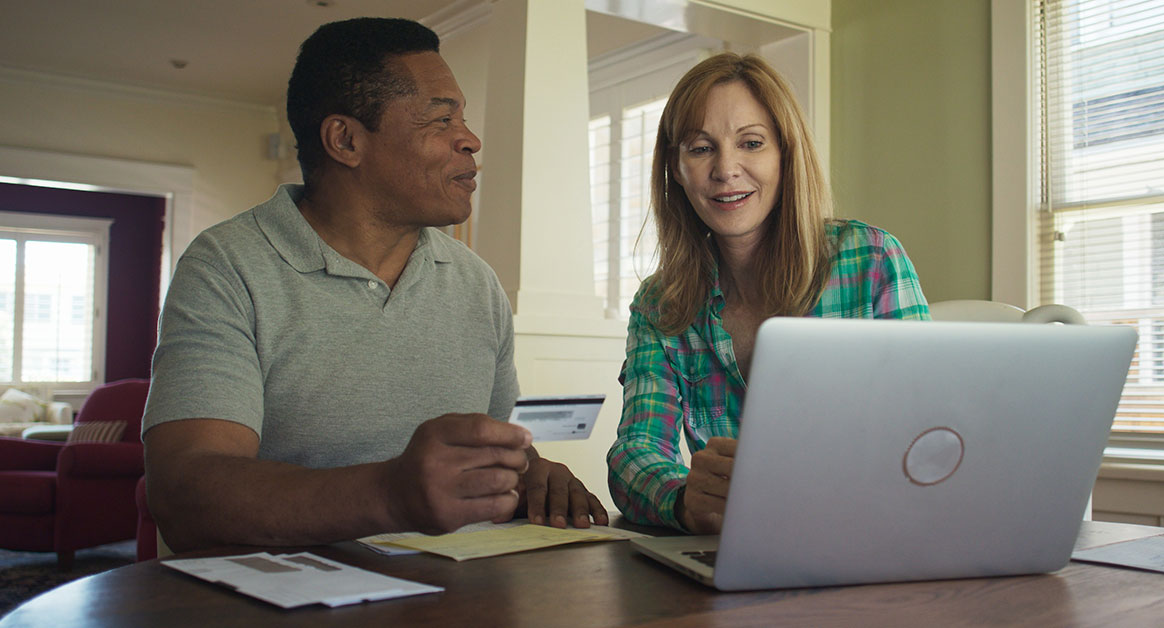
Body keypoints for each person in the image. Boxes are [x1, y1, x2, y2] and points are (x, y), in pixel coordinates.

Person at [143, 18, 606, 554]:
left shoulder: (475, 282)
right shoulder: (226, 266)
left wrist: (533, 475)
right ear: (345, 140)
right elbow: (185, 496)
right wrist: (391, 493)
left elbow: (485, 463)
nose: (471, 140)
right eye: (441, 119)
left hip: (462, 594)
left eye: (464, 117)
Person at [606, 53, 930, 534]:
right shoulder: (661, 304)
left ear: (785, 155)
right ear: (675, 168)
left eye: (751, 143)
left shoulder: (871, 259)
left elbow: (927, 426)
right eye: (700, 149)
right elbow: (636, 450)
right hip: (732, 553)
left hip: (873, 536)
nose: (726, 169)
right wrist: (683, 500)